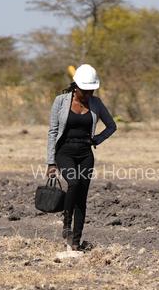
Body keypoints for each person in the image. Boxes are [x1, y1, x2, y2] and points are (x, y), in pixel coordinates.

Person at [46, 63, 116, 251]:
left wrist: (97, 139)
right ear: (76, 86)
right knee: (74, 183)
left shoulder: (96, 103)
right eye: (85, 90)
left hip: (85, 154)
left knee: (82, 197)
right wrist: (51, 162)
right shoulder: (61, 101)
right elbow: (52, 132)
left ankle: (76, 241)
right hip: (64, 152)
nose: (88, 94)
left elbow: (112, 126)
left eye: (91, 91)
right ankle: (66, 224)